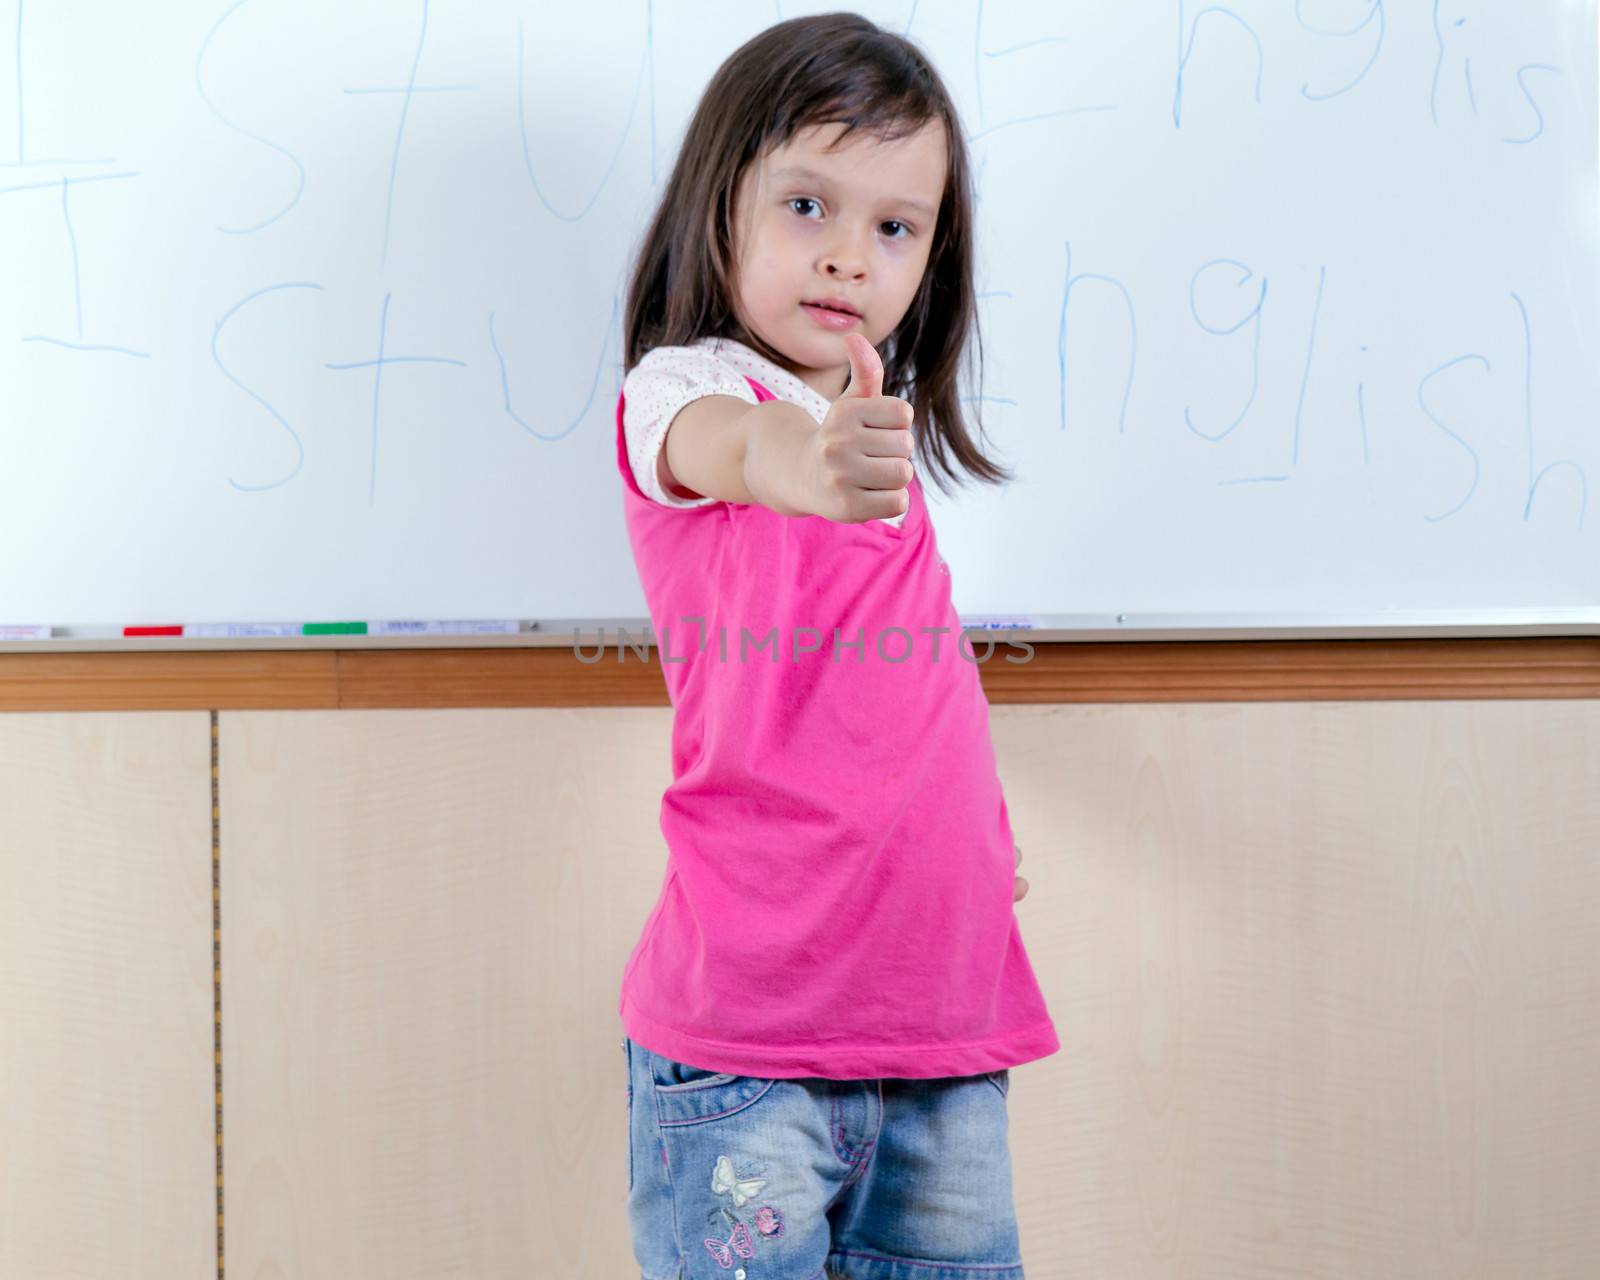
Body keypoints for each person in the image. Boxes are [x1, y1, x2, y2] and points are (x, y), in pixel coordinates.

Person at [613, 12, 1057, 1278]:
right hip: (751, 1042)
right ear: (721, 208)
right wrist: (797, 458)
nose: (848, 257)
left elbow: (896, 669)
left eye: (893, 226)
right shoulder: (686, 398)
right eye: (807, 204)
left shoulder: (872, 432)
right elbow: (733, 451)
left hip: (942, 1024)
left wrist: (966, 830)